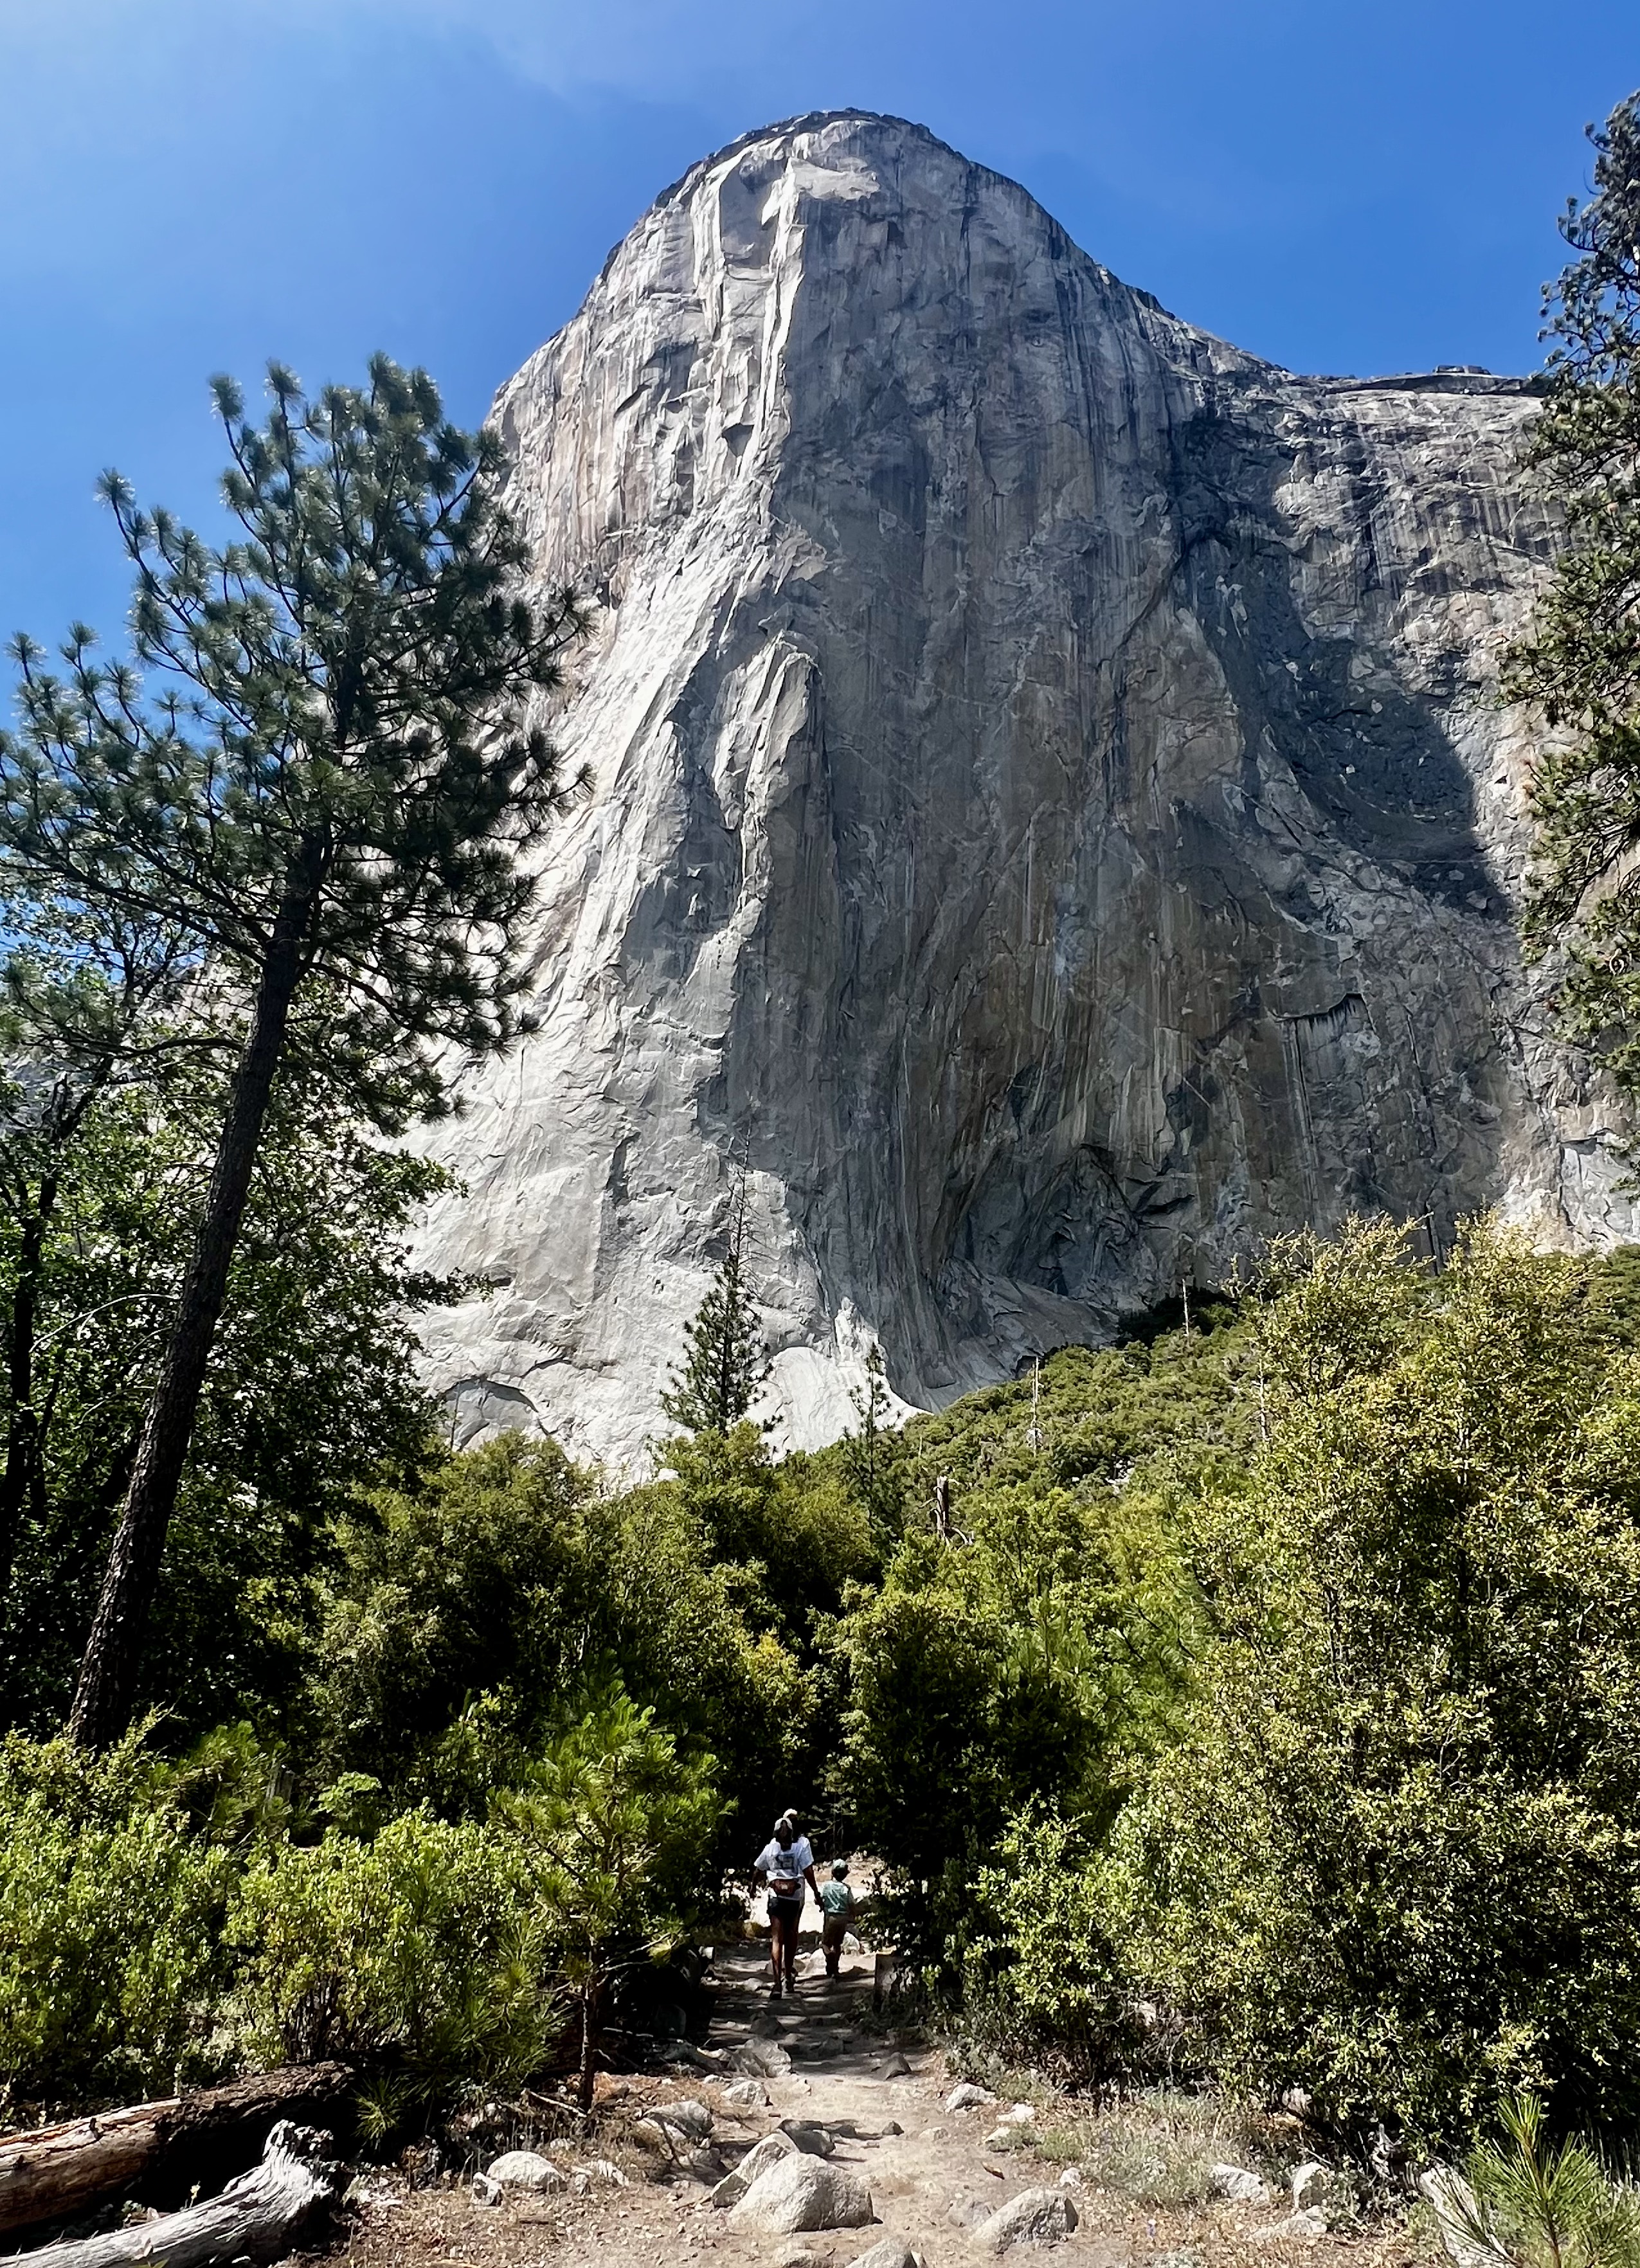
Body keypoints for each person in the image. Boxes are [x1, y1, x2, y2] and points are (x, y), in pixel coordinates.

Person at [753, 1815, 816, 1996]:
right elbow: (808, 1871)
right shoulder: (799, 1847)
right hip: (794, 1898)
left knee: (776, 1940)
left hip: (776, 1898)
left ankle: (776, 1984)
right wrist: (816, 1893)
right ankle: (788, 1977)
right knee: (791, 1938)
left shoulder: (770, 1848)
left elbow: (758, 1869)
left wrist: (752, 1887)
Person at [817, 1858, 858, 1978]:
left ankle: (829, 1957)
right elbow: (851, 1904)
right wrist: (853, 1916)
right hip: (843, 1918)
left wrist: (821, 1905)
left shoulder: (826, 1886)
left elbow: (818, 1899)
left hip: (830, 1917)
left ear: (833, 1873)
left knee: (825, 1943)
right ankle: (835, 1970)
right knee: (838, 1944)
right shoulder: (846, 1888)